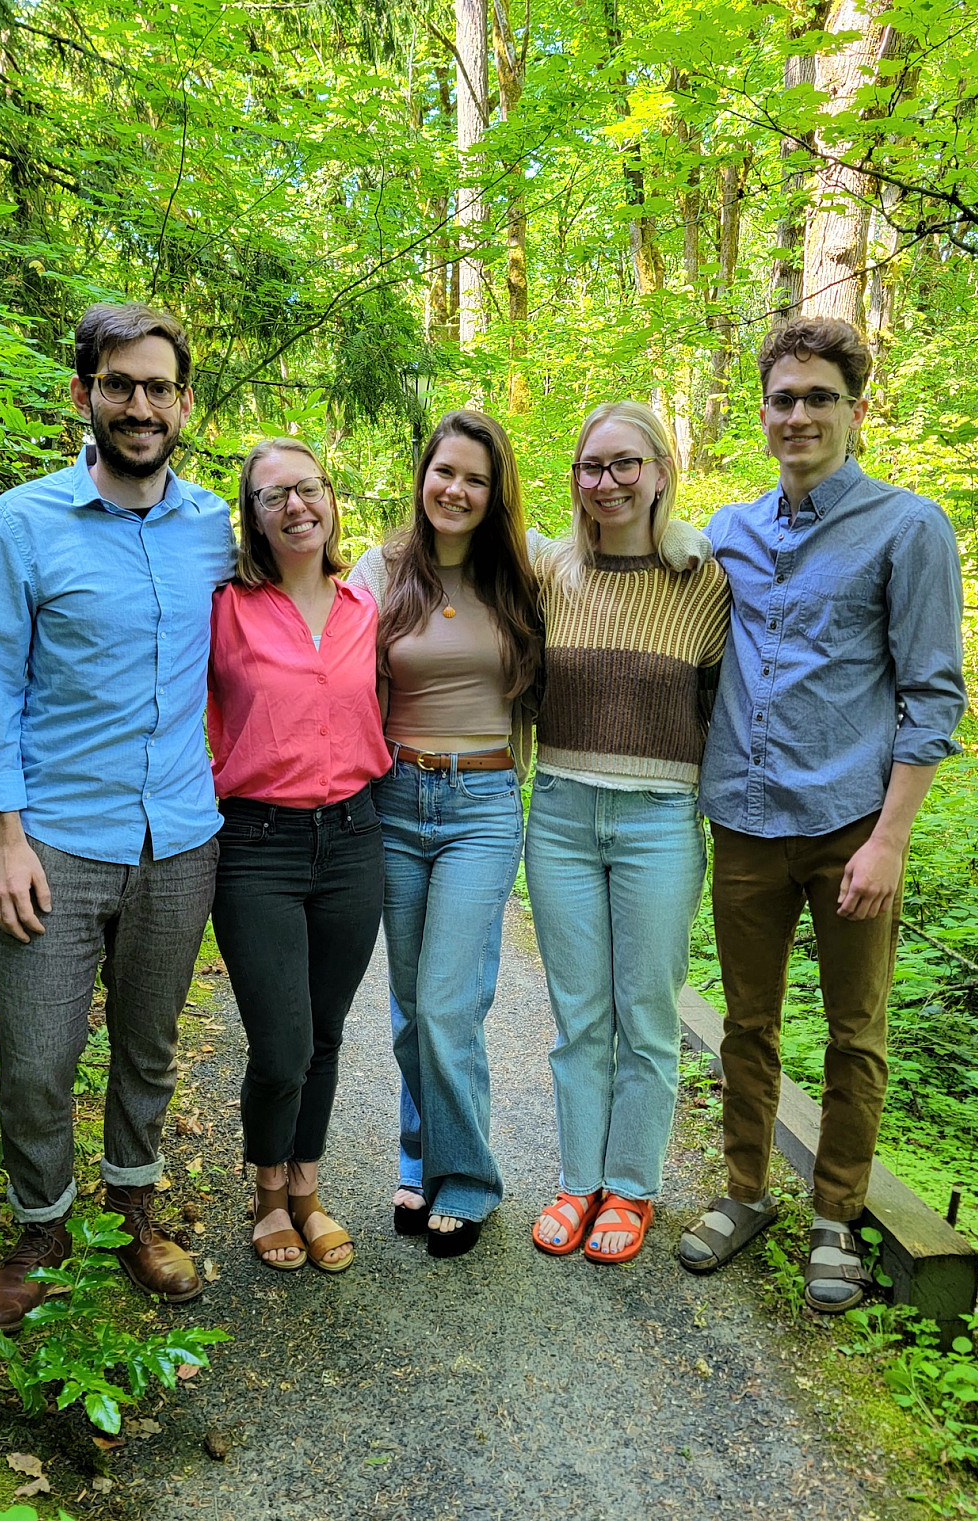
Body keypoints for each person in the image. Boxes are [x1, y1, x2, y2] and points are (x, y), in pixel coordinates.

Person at [678, 316, 966, 1311]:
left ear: (852, 408)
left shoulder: (907, 527)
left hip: (851, 823)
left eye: (817, 398)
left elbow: (931, 694)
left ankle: (835, 1216)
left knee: (855, 1031)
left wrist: (888, 839)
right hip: (746, 821)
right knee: (746, 1025)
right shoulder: (727, 532)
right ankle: (746, 1192)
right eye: (782, 398)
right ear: (760, 412)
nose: (797, 415)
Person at [0, 302, 235, 1329]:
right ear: (85, 395)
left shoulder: (213, 525)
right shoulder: (25, 522)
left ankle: (133, 1208)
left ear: (183, 404)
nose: (139, 405)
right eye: (119, 384)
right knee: (35, 1052)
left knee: (148, 1044)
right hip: (56, 841)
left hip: (179, 835)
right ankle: (41, 1225)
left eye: (158, 387)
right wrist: (3, 834)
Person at [526, 402, 731, 1265]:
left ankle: (633, 1185)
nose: (604, 482)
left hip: (658, 820)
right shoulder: (549, 574)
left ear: (658, 469)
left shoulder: (704, 579)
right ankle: (579, 1181)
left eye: (623, 465)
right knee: (580, 1016)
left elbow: (729, 704)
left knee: (646, 1014)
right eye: (589, 467)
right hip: (562, 814)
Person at [349, 411, 543, 1258]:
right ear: (422, 476)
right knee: (407, 1006)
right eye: (444, 472)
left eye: (475, 478)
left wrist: (681, 528)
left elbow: (639, 543)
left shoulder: (525, 575)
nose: (455, 490)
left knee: (448, 1001)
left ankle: (467, 1179)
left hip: (482, 805)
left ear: (494, 493)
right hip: (394, 798)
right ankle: (418, 1157)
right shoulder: (381, 570)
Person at [207, 439, 389, 1273]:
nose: (296, 506)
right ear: (253, 511)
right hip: (256, 845)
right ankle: (266, 1191)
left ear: (330, 498)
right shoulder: (226, 605)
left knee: (324, 1032)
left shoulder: (364, 605)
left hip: (354, 839)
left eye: (309, 489)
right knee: (279, 1043)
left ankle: (306, 1187)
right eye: (275, 494)